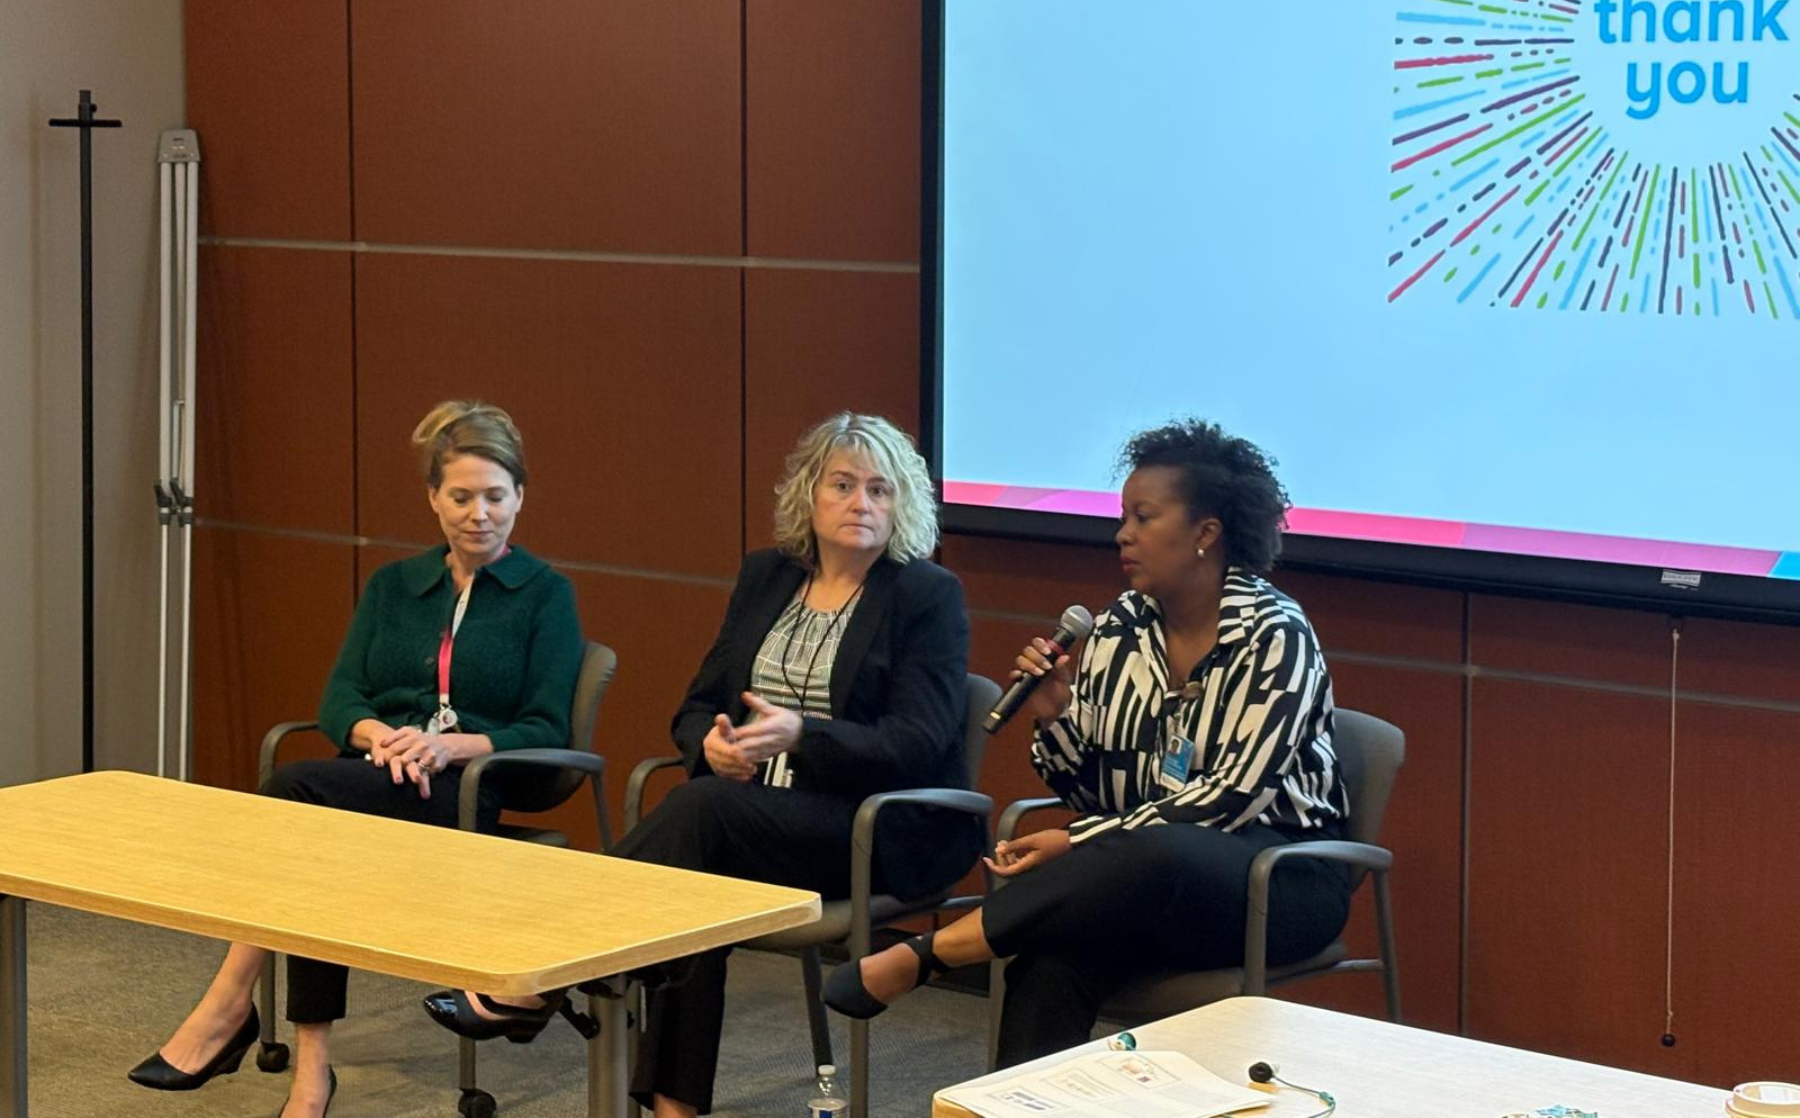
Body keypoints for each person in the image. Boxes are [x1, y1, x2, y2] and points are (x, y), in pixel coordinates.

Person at [422, 412, 979, 1118]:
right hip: (754, 819)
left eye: (880, 489)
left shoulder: (925, 596)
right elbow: (696, 706)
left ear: (903, 504)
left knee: (701, 814)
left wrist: (801, 736)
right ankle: (672, 1106)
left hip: (873, 829)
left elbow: (920, 739)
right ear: (810, 494)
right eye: (842, 485)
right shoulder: (767, 576)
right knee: (692, 881)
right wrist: (710, 746)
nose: (861, 503)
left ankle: (544, 970)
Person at [823, 418, 1352, 1067]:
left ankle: (932, 952)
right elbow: (1094, 791)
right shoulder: (1120, 627)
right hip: (1144, 876)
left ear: (1205, 534)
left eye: (1144, 517)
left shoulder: (1275, 634)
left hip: (1281, 880)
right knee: (1052, 956)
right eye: (1122, 516)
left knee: (1158, 849)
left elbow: (1226, 803)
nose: (1122, 534)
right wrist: (1055, 715)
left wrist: (1078, 840)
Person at [128, 400, 584, 1118]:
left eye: (495, 496)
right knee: (317, 830)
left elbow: (544, 723)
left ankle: (239, 1012)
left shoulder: (546, 596)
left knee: (298, 801)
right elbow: (341, 696)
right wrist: (381, 736)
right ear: (433, 498)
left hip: (464, 790)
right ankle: (303, 1063)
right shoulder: (393, 588)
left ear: (521, 497)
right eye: (461, 497)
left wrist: (444, 745)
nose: (479, 515)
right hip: (375, 777)